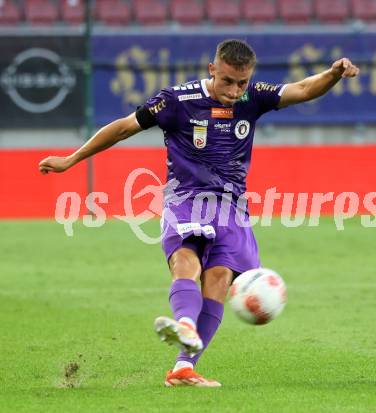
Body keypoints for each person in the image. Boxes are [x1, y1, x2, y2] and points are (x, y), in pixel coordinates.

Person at [39, 39, 359, 387]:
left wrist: (332, 74)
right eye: (227, 81)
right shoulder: (176, 100)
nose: (235, 91)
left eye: (242, 83)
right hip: (186, 198)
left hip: (232, 207)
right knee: (185, 260)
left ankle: (183, 368)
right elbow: (123, 127)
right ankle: (186, 325)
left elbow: (301, 89)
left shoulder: (254, 98)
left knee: (220, 278)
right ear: (212, 70)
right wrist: (71, 159)